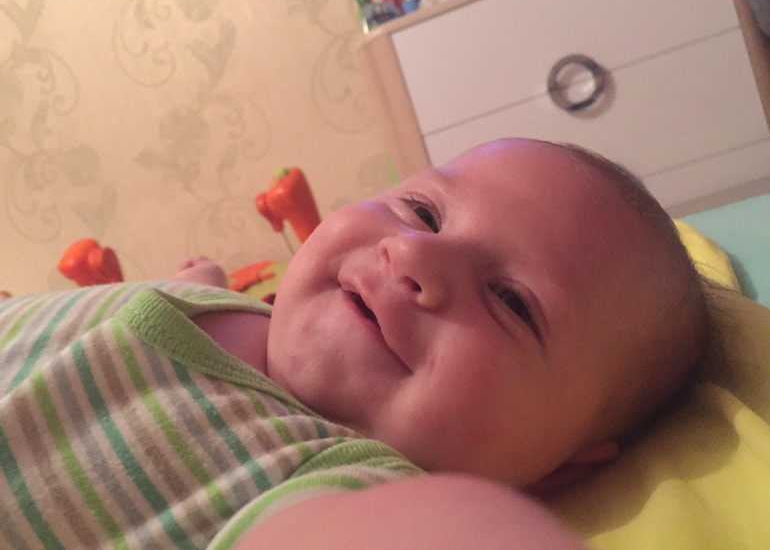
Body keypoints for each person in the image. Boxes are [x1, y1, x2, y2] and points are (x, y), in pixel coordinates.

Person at [0, 138, 707, 549]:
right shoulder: (252, 311)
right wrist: (202, 280)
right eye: (422, 210)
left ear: (558, 469)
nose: (415, 255)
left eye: (513, 302)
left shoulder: (331, 485)